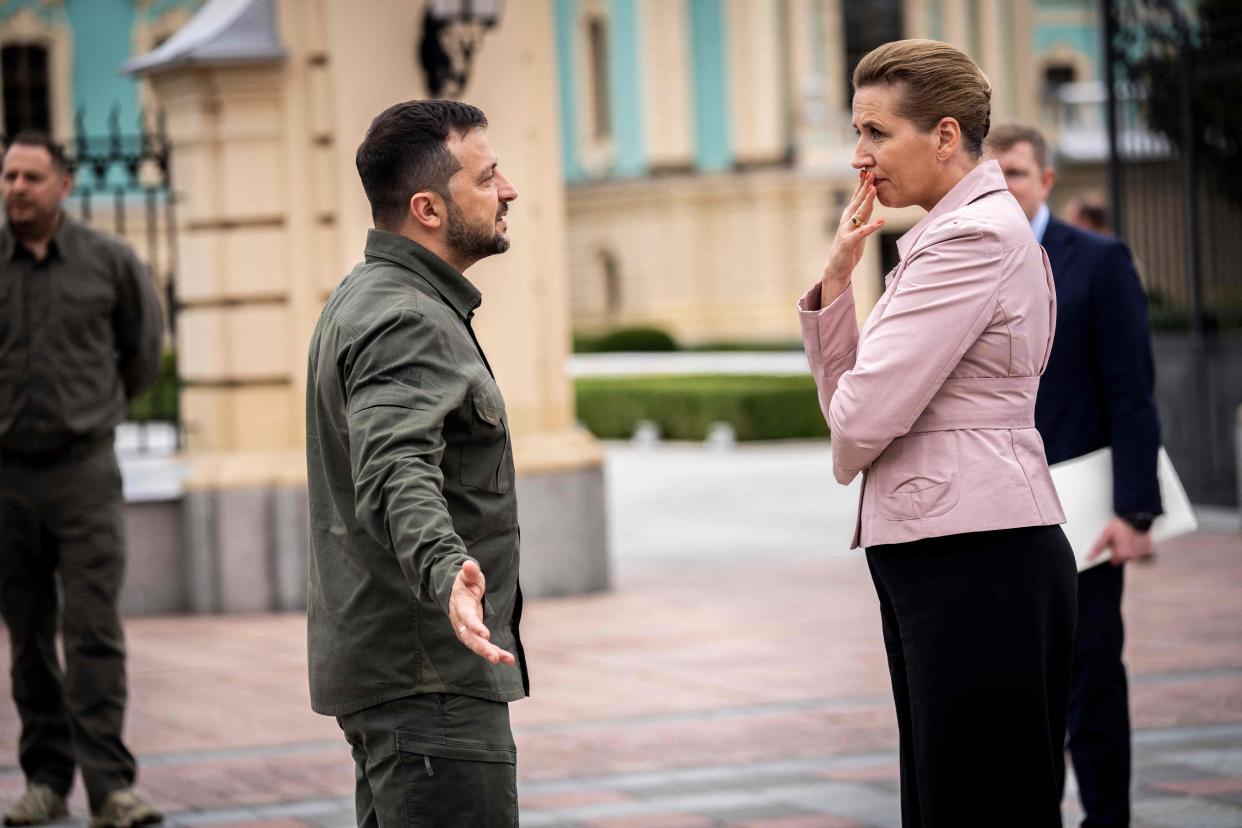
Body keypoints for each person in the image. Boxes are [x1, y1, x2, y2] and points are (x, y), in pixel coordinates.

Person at [797, 40, 1076, 825]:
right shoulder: (949, 236)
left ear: (946, 135)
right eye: (859, 133)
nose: (860, 158)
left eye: (878, 133)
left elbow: (853, 425)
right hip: (959, 548)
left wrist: (839, 301)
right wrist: (835, 284)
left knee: (977, 804)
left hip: (976, 555)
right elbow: (854, 416)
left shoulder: (968, 240)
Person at [305, 100, 526, 827]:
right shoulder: (403, 315)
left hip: (410, 678)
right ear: (428, 208)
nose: (509, 191)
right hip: (430, 680)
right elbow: (396, 466)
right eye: (488, 177)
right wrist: (446, 573)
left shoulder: (374, 297)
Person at [985, 123, 1162, 828]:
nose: (1002, 187)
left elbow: (1132, 393)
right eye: (990, 175)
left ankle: (1106, 818)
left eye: (1017, 173)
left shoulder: (1098, 260)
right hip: (994, 516)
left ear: (1046, 182)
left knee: (1091, 677)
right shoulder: (967, 259)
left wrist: (1135, 512)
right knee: (1014, 690)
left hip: (1082, 510)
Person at [0, 132, 164, 827]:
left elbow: (144, 349)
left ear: (64, 186)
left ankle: (109, 788)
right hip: (7, 478)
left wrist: (96, 413)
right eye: (8, 176)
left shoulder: (111, 262)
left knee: (93, 629)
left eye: (31, 177)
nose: (16, 188)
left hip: (84, 473)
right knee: (29, 636)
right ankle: (44, 779)